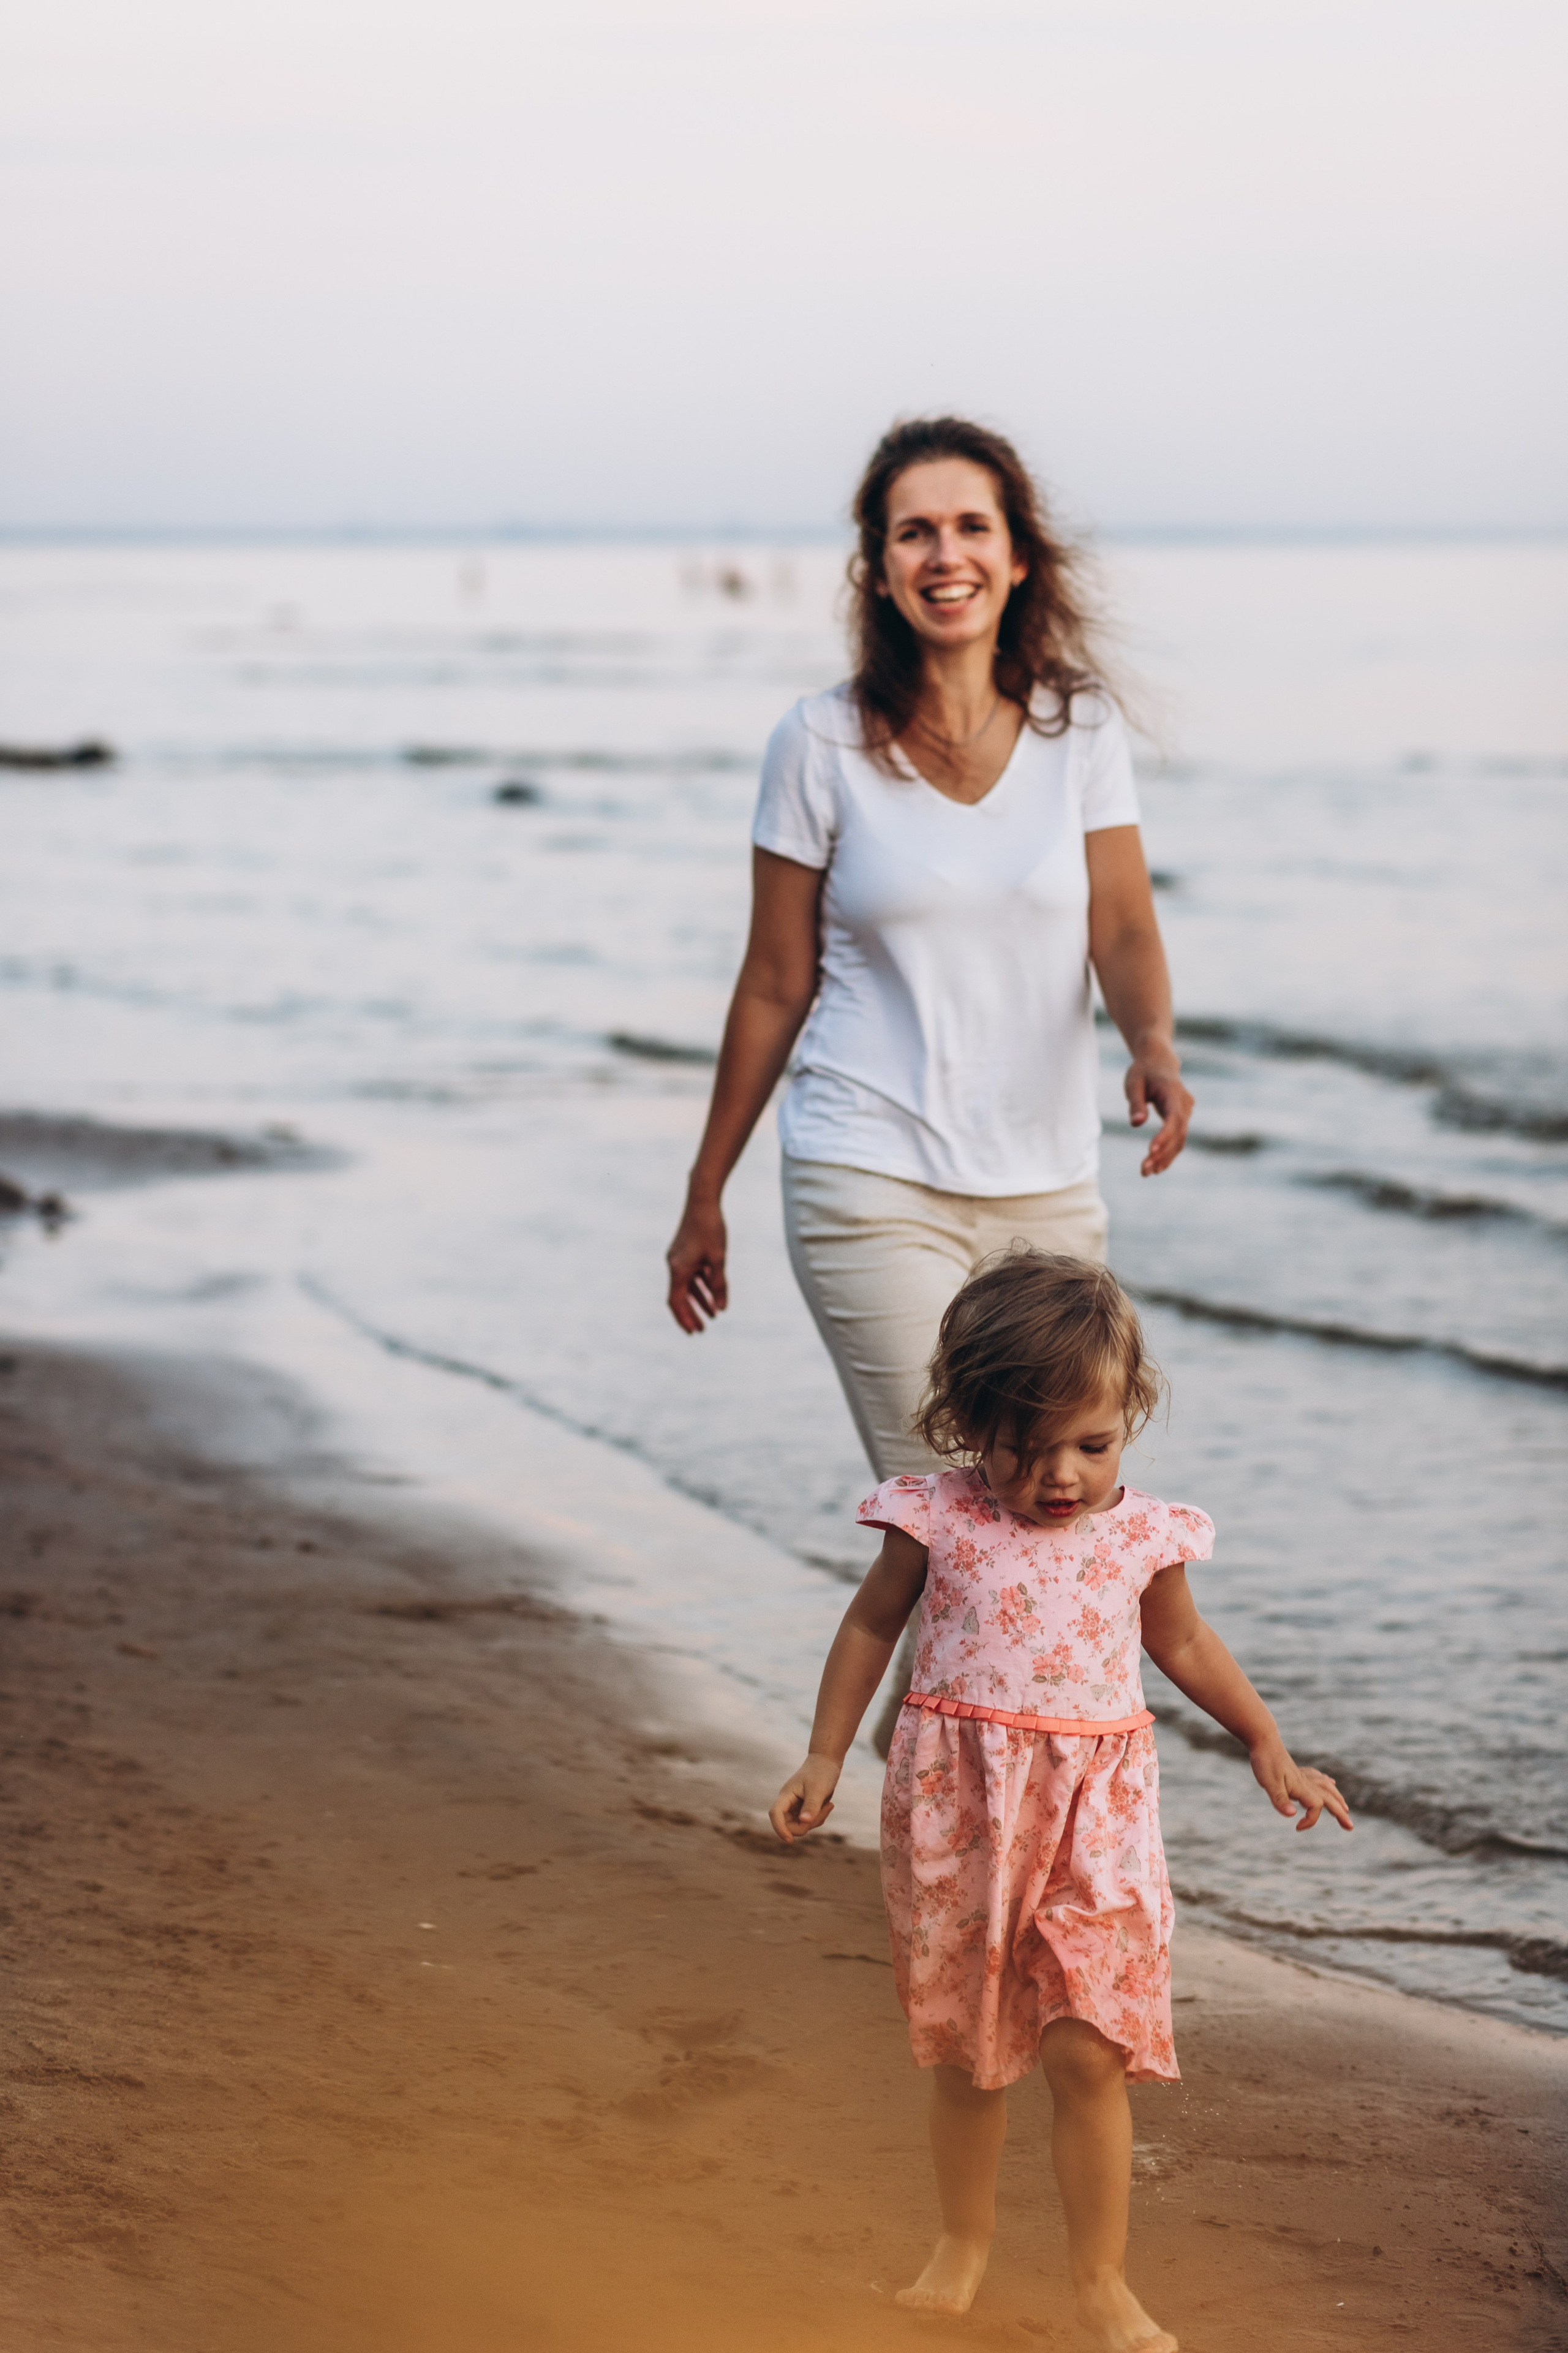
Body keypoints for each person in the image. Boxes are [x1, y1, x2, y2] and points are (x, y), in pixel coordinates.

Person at [665, 415, 1194, 1745]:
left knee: (1043, 1533)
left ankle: (992, 1819)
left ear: (1017, 558)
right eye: (914, 531)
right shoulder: (820, 743)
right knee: (964, 1530)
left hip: (1046, 1192)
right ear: (879, 566)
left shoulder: (1078, 728)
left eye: (970, 527)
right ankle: (950, 1829)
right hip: (865, 1173)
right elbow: (772, 981)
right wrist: (706, 1187)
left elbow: (1123, 924)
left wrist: (1151, 1043)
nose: (943, 553)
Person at [769, 1252, 1352, 2348]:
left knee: (1090, 2044)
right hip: (961, 1809)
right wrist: (823, 1754)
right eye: (1024, 1448)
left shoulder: (1144, 1535)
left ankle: (1101, 2279)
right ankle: (964, 2238)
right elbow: (871, 1625)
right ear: (966, 1423)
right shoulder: (935, 1516)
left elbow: (1183, 1641)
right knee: (970, 2049)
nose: (1061, 1477)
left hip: (1099, 1813)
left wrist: (1266, 1740)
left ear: (1129, 1415)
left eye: (1092, 1444)